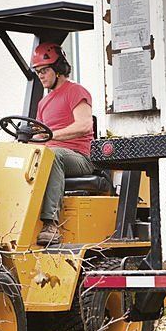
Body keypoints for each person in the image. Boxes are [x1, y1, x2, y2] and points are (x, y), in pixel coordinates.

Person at [30, 42, 95, 245]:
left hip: (80, 157)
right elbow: (41, 135)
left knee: (53, 155)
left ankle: (51, 223)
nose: (41, 75)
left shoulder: (75, 92)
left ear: (58, 70)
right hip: (52, 153)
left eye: (45, 70)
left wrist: (51, 137)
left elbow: (84, 125)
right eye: (38, 71)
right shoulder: (43, 103)